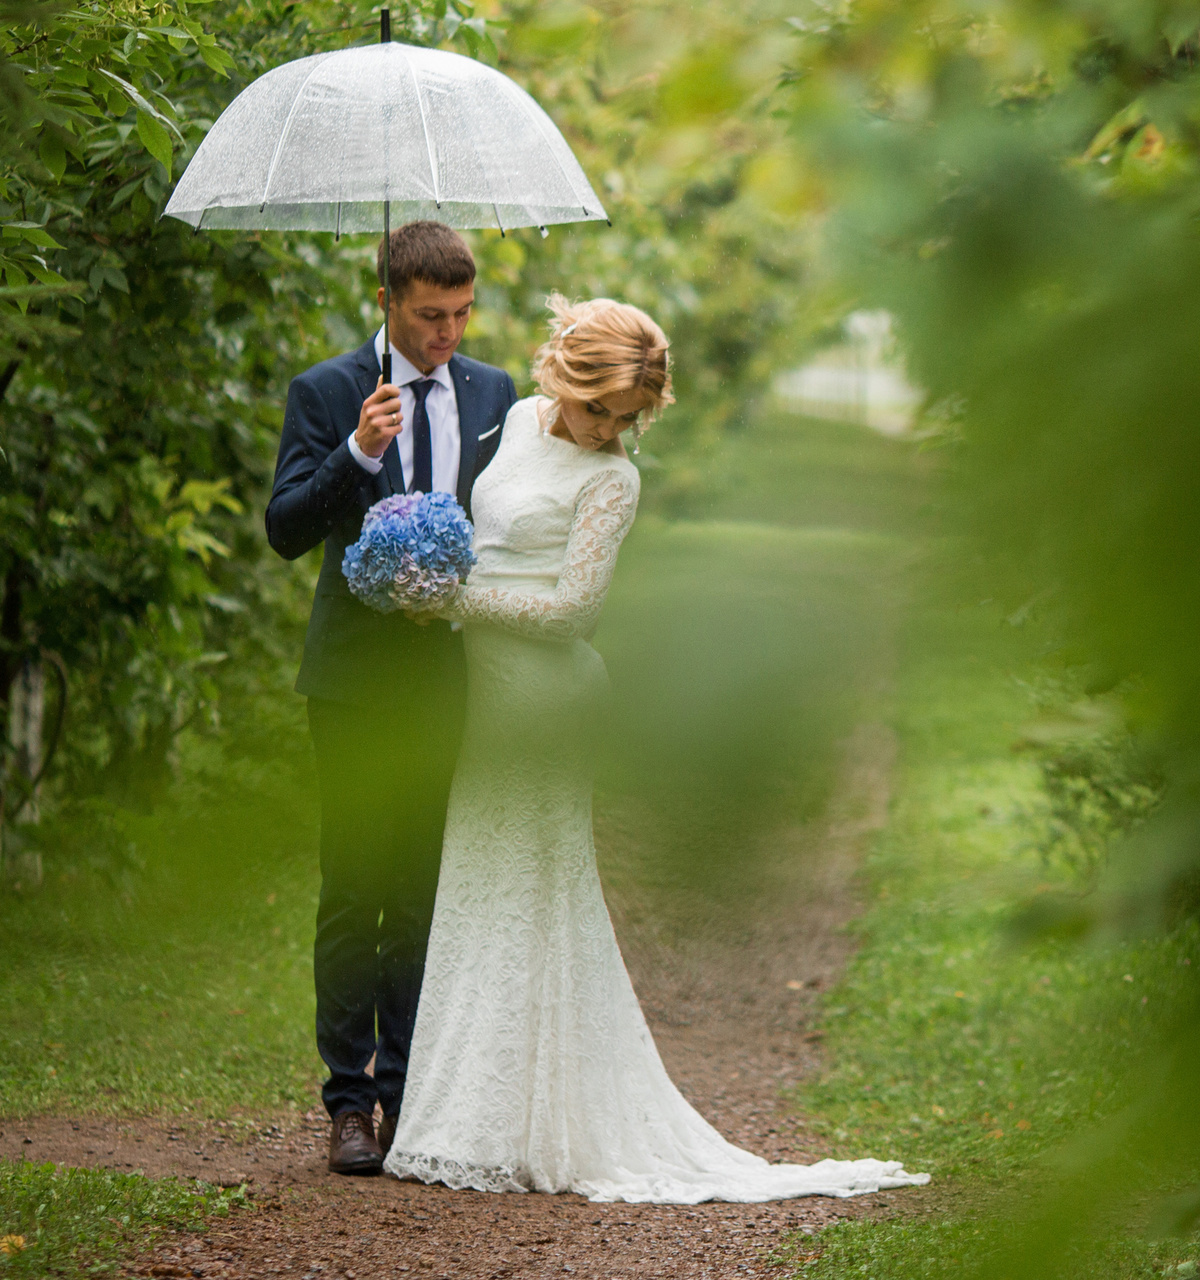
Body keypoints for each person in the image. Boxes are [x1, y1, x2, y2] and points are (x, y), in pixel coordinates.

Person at [382, 296, 928, 1202]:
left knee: (527, 892)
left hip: (539, 700)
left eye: (627, 420)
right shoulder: (517, 420)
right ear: (563, 374)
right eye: (599, 409)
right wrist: (423, 561)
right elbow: (487, 540)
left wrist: (450, 601)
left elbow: (571, 613)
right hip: (477, 689)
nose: (608, 432)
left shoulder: (614, 482)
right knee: (481, 890)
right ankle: (468, 1114)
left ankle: (521, 1123)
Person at [265, 220, 519, 1176]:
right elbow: (286, 530)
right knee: (355, 887)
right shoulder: (329, 392)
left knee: (422, 891)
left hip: (454, 680)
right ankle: (347, 1102)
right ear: (387, 302)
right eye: (428, 316)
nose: (447, 333)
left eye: (459, 314)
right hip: (354, 683)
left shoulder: (495, 394)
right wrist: (359, 455)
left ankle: (410, 1094)